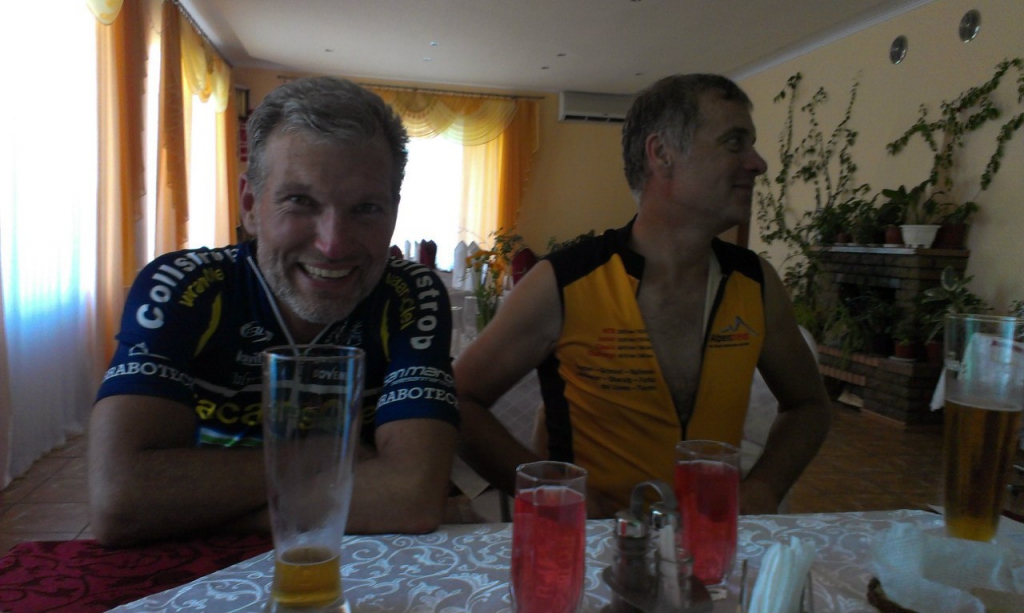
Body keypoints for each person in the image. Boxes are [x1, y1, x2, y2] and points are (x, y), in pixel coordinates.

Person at [88, 77, 459, 547]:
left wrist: (188, 509)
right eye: (300, 202)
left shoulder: (410, 293)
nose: (333, 244)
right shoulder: (183, 286)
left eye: (366, 208)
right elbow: (120, 499)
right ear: (250, 204)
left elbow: (410, 497)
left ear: (394, 212)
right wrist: (329, 454)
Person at [454, 74, 831, 517]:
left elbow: (808, 406)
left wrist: (765, 488)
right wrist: (549, 490)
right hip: (593, 547)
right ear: (662, 154)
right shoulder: (565, 282)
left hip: (709, 545)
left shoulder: (755, 283)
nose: (758, 163)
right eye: (734, 142)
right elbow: (457, 399)